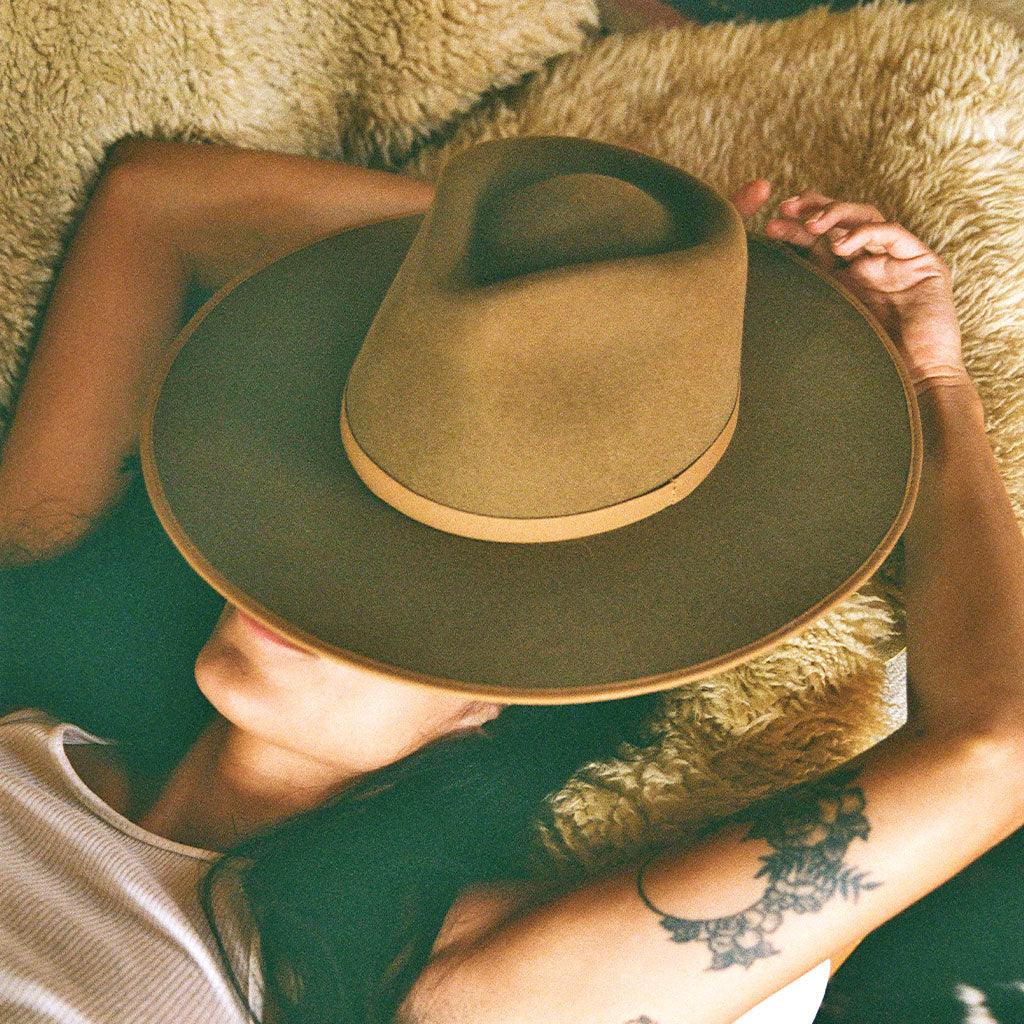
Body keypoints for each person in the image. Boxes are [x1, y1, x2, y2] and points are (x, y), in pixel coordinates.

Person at [0, 137, 1021, 1024]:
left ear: (489, 702)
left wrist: (930, 386)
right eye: (323, 538)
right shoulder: (32, 666)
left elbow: (995, 746)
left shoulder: (406, 980)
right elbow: (155, 201)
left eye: (427, 594)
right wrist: (627, 302)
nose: (311, 596)